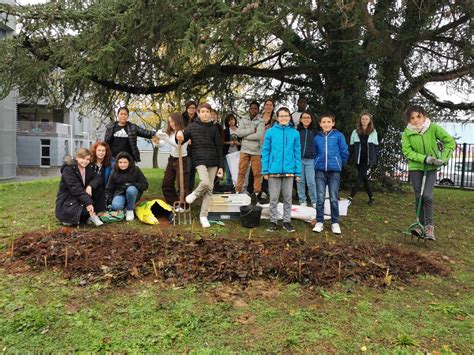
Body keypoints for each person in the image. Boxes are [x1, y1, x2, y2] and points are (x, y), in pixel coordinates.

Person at [401, 105, 455, 240]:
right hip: (416, 167)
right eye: (412, 118)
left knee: (427, 196)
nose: (415, 120)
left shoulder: (433, 127)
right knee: (419, 196)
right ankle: (420, 226)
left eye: (418, 117)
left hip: (431, 168)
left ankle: (429, 227)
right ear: (409, 119)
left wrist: (443, 158)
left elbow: (450, 142)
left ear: (424, 116)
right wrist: (424, 158)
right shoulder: (407, 133)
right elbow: (407, 152)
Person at [176, 103, 225, 228]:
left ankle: (203, 216)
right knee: (205, 182)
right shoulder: (192, 127)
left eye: (207, 112)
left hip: (213, 162)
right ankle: (193, 195)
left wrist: (221, 166)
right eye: (202, 111)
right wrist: (179, 135)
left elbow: (219, 148)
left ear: (210, 114)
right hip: (199, 160)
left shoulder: (214, 128)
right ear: (198, 113)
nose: (205, 114)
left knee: (209, 190)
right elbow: (181, 139)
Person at [262, 107, 302, 233]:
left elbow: (297, 153)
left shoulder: (295, 133)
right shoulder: (270, 132)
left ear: (289, 118)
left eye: (286, 116)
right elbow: (266, 151)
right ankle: (273, 221)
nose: (284, 118)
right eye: (281, 116)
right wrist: (265, 170)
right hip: (273, 170)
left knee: (288, 197)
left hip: (289, 171)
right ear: (277, 118)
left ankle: (286, 221)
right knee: (273, 198)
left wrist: (298, 171)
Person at [312, 113, 349, 235]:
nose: (326, 124)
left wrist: (340, 164)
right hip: (320, 171)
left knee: (333, 198)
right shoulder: (317, 137)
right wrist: (317, 163)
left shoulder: (338, 136)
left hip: (334, 171)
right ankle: (319, 222)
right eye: (324, 122)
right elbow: (315, 152)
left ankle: (335, 222)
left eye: (329, 122)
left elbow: (344, 151)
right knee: (320, 198)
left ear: (333, 123)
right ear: (320, 124)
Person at [55, 148, 103, 226]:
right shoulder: (68, 169)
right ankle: (86, 215)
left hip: (81, 196)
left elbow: (98, 178)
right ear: (77, 157)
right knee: (79, 214)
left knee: (98, 187)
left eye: (87, 159)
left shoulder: (88, 167)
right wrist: (88, 203)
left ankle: (93, 214)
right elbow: (76, 189)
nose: (85, 161)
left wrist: (90, 186)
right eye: (82, 158)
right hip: (69, 198)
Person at [156, 112, 189, 210]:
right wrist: (157, 142)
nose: (171, 124)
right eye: (170, 122)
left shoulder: (184, 132)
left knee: (182, 184)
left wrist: (166, 139)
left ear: (178, 121)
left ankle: (184, 206)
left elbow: (179, 146)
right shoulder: (170, 132)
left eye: (173, 121)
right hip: (172, 159)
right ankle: (173, 202)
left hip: (182, 159)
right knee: (167, 182)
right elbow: (161, 144)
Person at [105, 152, 149, 221]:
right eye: (120, 162)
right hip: (120, 193)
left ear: (129, 162)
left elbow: (145, 185)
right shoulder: (114, 171)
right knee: (116, 206)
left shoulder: (136, 170)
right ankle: (124, 208)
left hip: (133, 193)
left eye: (125, 162)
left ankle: (130, 210)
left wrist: (132, 184)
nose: (122, 165)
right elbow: (109, 187)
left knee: (131, 189)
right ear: (117, 163)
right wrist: (109, 201)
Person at [235, 101, 265, 202]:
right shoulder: (243, 119)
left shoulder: (261, 121)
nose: (253, 110)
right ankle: (238, 191)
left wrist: (245, 137)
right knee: (241, 171)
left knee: (257, 174)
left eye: (255, 108)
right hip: (244, 150)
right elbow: (239, 133)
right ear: (249, 109)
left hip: (256, 151)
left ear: (258, 110)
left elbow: (259, 136)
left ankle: (257, 194)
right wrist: (252, 130)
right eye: (251, 108)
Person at [348, 112, 379, 205]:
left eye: (366, 119)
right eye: (363, 119)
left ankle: (350, 197)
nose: (364, 121)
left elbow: (376, 147)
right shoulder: (355, 132)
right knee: (364, 178)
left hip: (368, 159)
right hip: (358, 159)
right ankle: (371, 197)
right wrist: (350, 158)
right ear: (360, 120)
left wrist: (376, 159)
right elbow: (352, 147)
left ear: (369, 121)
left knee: (359, 177)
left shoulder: (373, 132)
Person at [296, 111, 318, 208]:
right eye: (304, 117)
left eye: (308, 117)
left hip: (311, 160)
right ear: (300, 119)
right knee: (300, 181)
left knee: (311, 181)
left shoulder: (315, 132)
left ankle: (314, 200)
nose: (306, 119)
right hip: (299, 159)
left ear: (311, 119)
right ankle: (302, 200)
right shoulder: (297, 131)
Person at [90, 141, 113, 212]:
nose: (101, 153)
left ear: (106, 152)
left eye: (103, 150)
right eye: (99, 150)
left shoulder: (111, 164)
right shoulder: (89, 162)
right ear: (95, 151)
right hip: (91, 188)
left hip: (104, 190)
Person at [182, 100, 198, 190]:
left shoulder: (198, 119)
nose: (192, 109)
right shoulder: (182, 118)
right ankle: (182, 189)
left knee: (192, 170)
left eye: (193, 108)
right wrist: (187, 140)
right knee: (185, 169)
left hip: (195, 148)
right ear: (187, 108)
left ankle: (189, 189)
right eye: (190, 108)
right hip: (184, 147)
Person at [223, 113, 241, 186]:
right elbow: (222, 141)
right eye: (229, 120)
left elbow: (243, 142)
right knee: (229, 173)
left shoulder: (239, 130)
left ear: (235, 120)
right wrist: (229, 142)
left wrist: (239, 143)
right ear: (227, 122)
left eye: (232, 119)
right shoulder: (225, 131)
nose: (231, 121)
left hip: (238, 154)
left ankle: (237, 188)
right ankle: (229, 188)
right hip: (228, 154)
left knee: (238, 172)